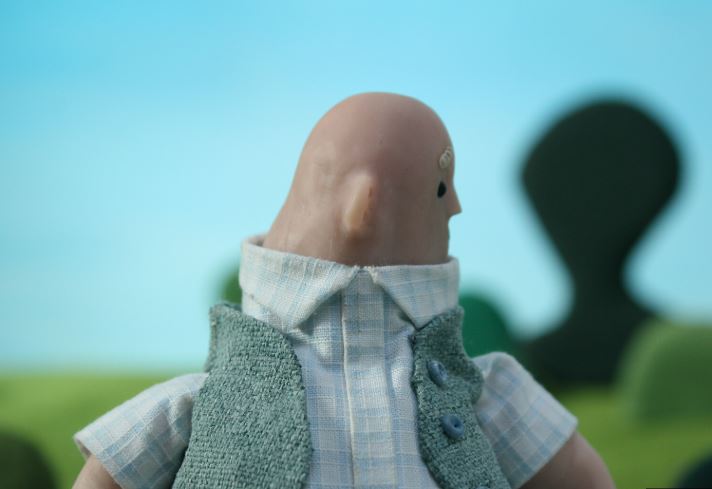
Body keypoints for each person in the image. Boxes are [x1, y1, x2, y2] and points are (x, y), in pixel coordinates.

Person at [73, 93, 615, 489]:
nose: (455, 206)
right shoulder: (212, 401)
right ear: (364, 207)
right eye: (440, 187)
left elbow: (580, 477)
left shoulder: (482, 391)